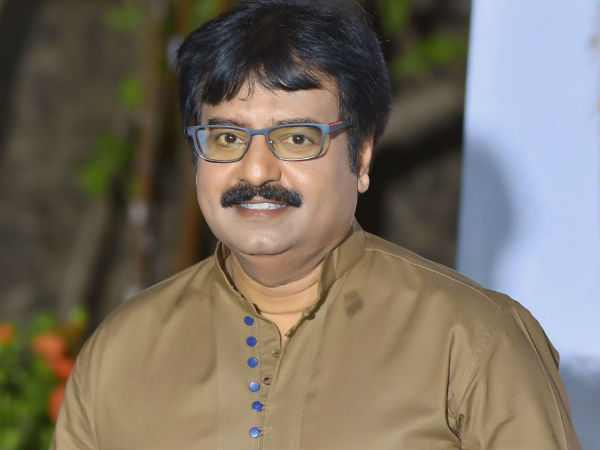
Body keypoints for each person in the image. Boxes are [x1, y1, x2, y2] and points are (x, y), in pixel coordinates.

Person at [51, 0, 581, 448]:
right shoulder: (121, 350)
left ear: (362, 155)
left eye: (297, 138)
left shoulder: (475, 340)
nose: (256, 171)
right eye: (227, 138)